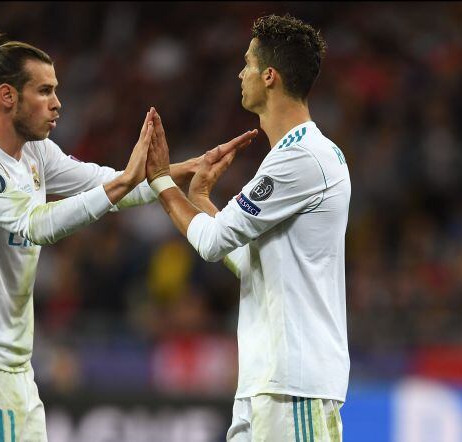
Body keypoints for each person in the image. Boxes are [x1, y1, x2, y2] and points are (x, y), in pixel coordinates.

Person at [0, 29, 249, 441]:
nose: (58, 103)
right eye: (45, 91)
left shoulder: (35, 152)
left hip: (15, 367)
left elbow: (110, 184)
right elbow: (36, 224)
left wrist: (182, 170)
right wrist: (125, 181)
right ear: (8, 96)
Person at [145, 14, 350, 442]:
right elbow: (249, 260)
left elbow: (212, 242)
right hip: (264, 384)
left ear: (269, 76)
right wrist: (199, 200)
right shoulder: (291, 157)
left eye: (247, 64)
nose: (241, 74)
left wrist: (161, 181)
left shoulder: (303, 158)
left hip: (296, 388)